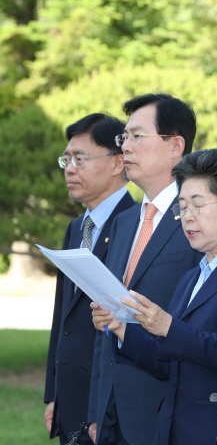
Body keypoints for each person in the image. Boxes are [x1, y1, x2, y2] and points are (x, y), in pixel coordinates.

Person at [91, 149, 217, 445]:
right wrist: (121, 328)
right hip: (172, 429)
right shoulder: (190, 278)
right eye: (182, 206)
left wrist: (168, 327)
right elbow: (167, 362)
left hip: (216, 430)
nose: (187, 217)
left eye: (197, 205)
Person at [88, 94, 203, 445]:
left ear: (175, 145)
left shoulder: (199, 218)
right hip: (110, 411)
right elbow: (106, 317)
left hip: (165, 409)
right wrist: (95, 409)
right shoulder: (124, 223)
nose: (126, 148)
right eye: (124, 138)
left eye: (138, 136)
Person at [44, 113, 134, 445]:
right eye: (66, 159)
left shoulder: (137, 224)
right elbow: (62, 316)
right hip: (71, 399)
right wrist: (54, 393)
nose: (69, 168)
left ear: (116, 163)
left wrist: (100, 409)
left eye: (79, 159)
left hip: (108, 406)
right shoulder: (75, 228)